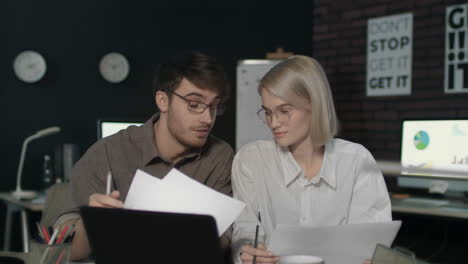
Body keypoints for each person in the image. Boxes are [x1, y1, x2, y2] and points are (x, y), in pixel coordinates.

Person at [55, 51, 234, 260]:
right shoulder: (107, 152)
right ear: (163, 101)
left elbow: (222, 242)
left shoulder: (220, 157)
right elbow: (62, 251)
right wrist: (89, 223)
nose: (207, 118)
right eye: (194, 105)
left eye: (214, 106)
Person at [231, 55, 392, 264]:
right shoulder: (251, 159)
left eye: (284, 111)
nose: (273, 122)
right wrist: (248, 254)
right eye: (268, 112)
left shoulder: (357, 160)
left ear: (315, 105)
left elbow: (370, 243)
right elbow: (244, 229)